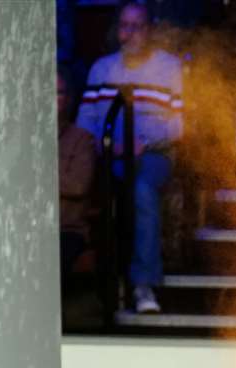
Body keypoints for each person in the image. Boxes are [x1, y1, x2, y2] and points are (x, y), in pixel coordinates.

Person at [75, 1, 184, 315]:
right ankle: (106, 285)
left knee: (140, 189)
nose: (130, 33)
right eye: (125, 25)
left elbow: (178, 125)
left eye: (137, 26)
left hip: (153, 155)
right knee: (112, 190)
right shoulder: (102, 69)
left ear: (149, 30)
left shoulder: (168, 67)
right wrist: (106, 147)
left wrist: (144, 142)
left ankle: (143, 286)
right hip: (110, 157)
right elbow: (86, 123)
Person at [57, 73, 97, 276]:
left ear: (68, 99)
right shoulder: (23, 138)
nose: (53, 97)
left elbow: (78, 185)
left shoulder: (81, 140)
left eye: (59, 92)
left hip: (66, 231)